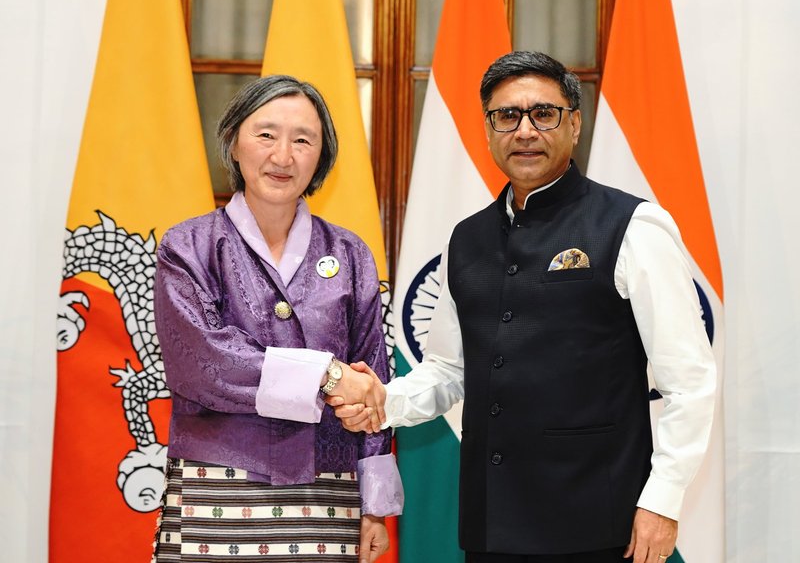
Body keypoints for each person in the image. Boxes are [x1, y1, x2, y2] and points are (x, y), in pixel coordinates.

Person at [331, 51, 716, 563]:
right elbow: (448, 370)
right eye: (507, 116)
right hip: (492, 527)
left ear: (574, 124)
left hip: (602, 526)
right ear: (488, 129)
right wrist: (384, 399)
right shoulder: (466, 239)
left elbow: (690, 382)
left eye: (544, 114)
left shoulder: (634, 227)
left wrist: (663, 500)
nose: (525, 131)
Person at [151, 75, 402, 563]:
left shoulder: (350, 253)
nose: (283, 156)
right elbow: (206, 363)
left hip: (328, 491)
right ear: (233, 143)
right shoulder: (188, 246)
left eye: (303, 140)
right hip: (216, 487)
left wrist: (374, 506)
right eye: (266, 134)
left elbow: (372, 375)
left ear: (322, 156)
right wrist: (329, 375)